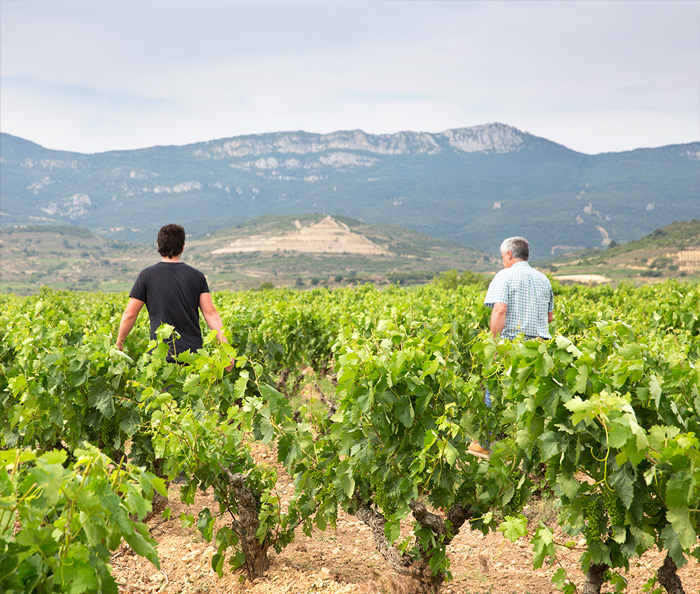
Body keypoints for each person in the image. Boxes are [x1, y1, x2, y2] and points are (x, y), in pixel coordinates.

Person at [469, 237, 554, 458]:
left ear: (508, 255)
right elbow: (550, 317)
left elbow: (499, 311)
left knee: (495, 390)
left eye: (501, 257)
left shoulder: (504, 276)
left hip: (512, 345)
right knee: (531, 397)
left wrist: (495, 343)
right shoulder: (543, 279)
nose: (502, 261)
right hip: (540, 348)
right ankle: (531, 448)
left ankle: (486, 444)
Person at [116, 223, 234, 370]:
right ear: (183, 247)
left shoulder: (146, 275)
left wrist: (119, 342)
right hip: (193, 356)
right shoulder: (197, 276)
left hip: (161, 357)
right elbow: (211, 313)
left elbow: (130, 315)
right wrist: (226, 347)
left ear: (158, 246)